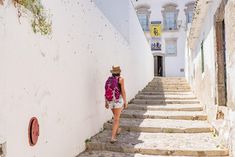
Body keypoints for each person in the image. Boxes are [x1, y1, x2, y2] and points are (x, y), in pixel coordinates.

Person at [104, 66, 127, 143]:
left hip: (110, 101)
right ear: (119, 72)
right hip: (117, 101)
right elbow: (123, 91)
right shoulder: (121, 79)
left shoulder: (109, 79)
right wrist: (125, 101)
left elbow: (106, 91)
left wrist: (106, 102)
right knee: (116, 119)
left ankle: (118, 129)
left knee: (116, 117)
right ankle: (113, 137)